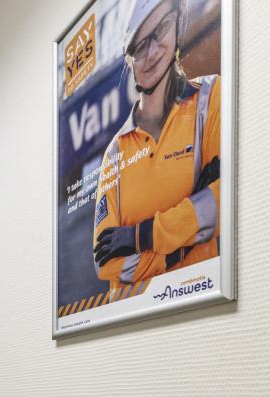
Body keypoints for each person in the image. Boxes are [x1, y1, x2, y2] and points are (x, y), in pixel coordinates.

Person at [92, 0, 221, 291]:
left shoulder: (210, 96)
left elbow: (221, 202)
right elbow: (106, 263)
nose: (151, 53)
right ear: (130, 61)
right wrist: (183, 242)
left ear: (178, 23)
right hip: (131, 312)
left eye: (161, 29)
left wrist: (142, 236)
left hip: (198, 297)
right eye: (139, 47)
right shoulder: (115, 152)